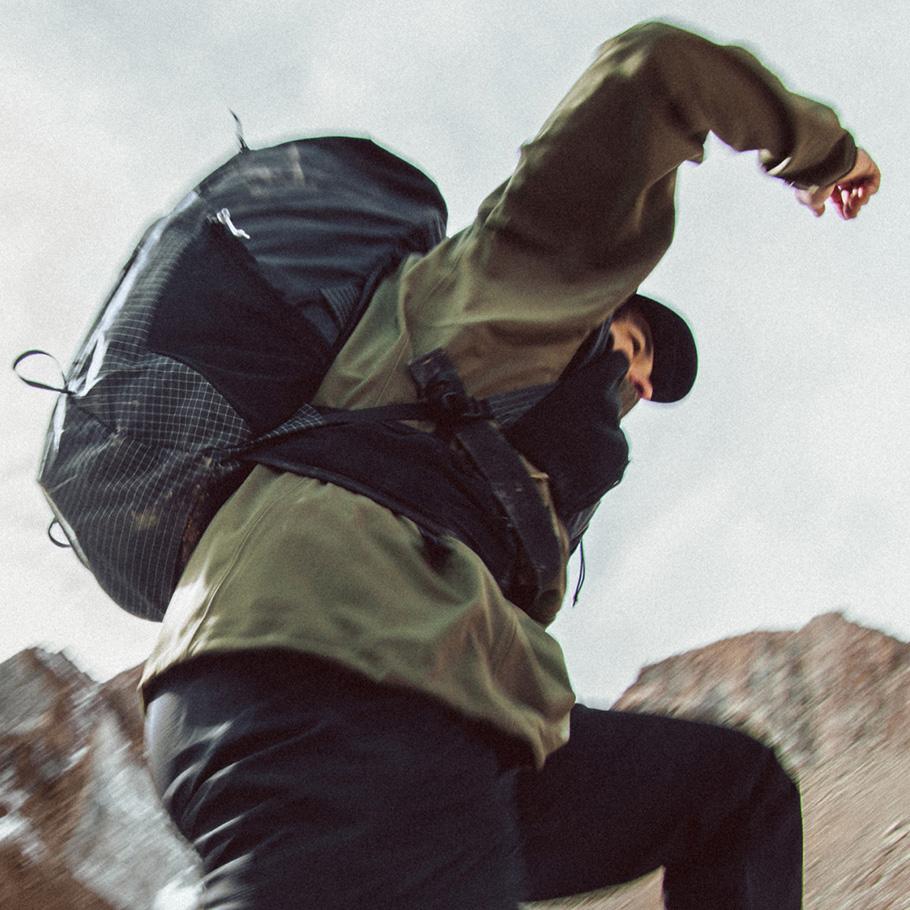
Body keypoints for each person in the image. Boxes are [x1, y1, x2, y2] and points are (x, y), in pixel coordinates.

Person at [142, 20, 880, 910]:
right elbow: (656, 66)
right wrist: (823, 153)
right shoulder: (503, 289)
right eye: (636, 342)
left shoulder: (516, 488)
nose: (637, 379)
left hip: (434, 707)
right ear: (597, 296)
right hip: (321, 673)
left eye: (646, 380)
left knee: (732, 793)